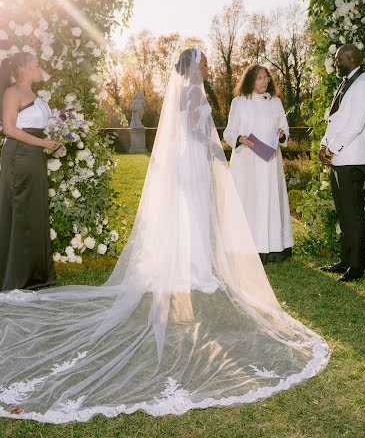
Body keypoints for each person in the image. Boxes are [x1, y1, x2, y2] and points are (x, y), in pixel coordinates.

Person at [0, 48, 329, 424]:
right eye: (203, 61)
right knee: (194, 209)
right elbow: (193, 128)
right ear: (194, 65)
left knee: (190, 211)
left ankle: (189, 263)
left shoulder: (188, 90)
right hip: (190, 155)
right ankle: (192, 267)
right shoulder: (192, 92)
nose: (206, 67)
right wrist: (210, 148)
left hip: (185, 155)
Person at [0, 52, 61, 291]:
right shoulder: (12, 93)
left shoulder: (37, 97)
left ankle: (36, 276)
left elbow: (36, 128)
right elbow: (9, 129)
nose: (39, 68)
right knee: (20, 212)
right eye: (36, 65)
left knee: (35, 211)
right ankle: (15, 276)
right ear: (24, 70)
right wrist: (42, 143)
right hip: (19, 157)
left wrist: (53, 140)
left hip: (34, 157)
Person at [224, 64, 293, 264]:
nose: (264, 81)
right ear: (250, 81)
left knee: (270, 199)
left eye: (266, 78)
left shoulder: (275, 102)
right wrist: (239, 138)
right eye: (260, 78)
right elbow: (228, 132)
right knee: (250, 200)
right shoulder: (239, 103)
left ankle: (273, 247)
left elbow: (285, 130)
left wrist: (282, 135)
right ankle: (248, 247)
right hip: (247, 161)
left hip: (269, 162)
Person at [319, 44, 365, 282]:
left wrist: (331, 149)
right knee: (344, 213)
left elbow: (355, 125)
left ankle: (357, 265)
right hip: (338, 158)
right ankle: (345, 260)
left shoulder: (363, 85)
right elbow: (335, 120)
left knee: (353, 214)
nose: (335, 64)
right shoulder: (345, 84)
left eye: (337, 60)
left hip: (352, 159)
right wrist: (324, 144)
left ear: (349, 59)